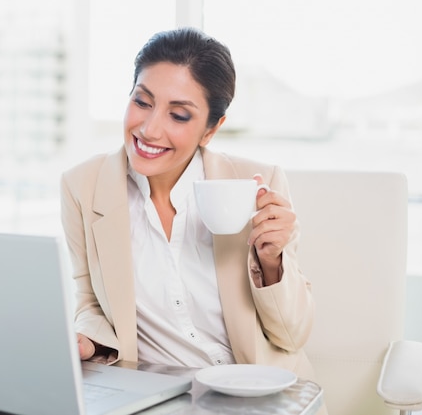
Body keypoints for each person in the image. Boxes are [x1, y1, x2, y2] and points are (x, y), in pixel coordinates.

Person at [60, 27, 316, 381]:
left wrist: (271, 262)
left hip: (260, 391)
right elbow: (90, 301)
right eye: (142, 101)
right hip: (162, 394)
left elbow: (292, 335)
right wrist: (88, 341)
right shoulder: (82, 187)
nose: (149, 129)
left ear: (211, 130)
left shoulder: (258, 183)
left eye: (178, 115)